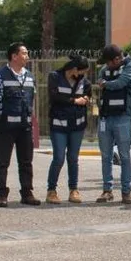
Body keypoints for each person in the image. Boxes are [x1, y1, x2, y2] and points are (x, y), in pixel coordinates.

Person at [0, 42, 39, 207]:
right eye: (24, 53)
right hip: (6, 126)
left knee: (26, 161)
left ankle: (27, 193)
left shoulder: (29, 75)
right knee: (3, 161)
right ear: (14, 56)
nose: (27, 56)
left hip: (24, 126)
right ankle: (2, 195)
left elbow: (31, 98)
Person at [95, 45, 131, 204]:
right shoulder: (106, 69)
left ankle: (126, 192)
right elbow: (99, 78)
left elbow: (121, 82)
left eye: (109, 62)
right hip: (105, 117)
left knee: (124, 155)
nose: (106, 66)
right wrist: (104, 82)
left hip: (123, 117)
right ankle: (107, 190)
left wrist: (106, 84)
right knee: (105, 155)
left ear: (117, 59)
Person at [45, 55, 91, 204]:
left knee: (73, 158)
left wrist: (86, 99)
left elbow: (87, 95)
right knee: (59, 158)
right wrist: (74, 100)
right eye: (81, 71)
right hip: (59, 124)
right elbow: (54, 97)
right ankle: (51, 190)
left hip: (77, 125)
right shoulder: (55, 77)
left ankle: (73, 189)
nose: (83, 74)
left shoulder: (84, 82)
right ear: (74, 69)